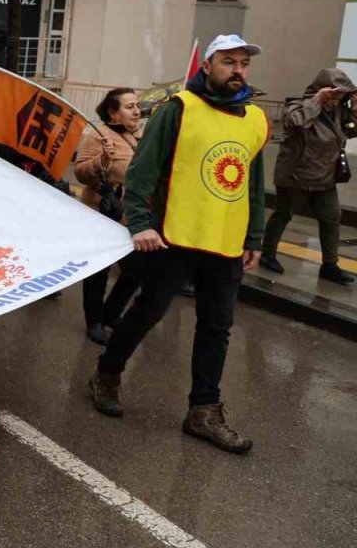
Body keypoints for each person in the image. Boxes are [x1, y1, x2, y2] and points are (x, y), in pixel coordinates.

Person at [89, 34, 269, 454]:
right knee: (148, 311)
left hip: (224, 242)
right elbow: (142, 171)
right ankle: (107, 373)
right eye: (228, 61)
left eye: (243, 63)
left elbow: (253, 184)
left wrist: (253, 236)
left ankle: (203, 411)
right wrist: (139, 223)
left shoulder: (256, 119)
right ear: (207, 66)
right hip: (174, 236)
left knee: (216, 328)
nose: (237, 69)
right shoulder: (179, 109)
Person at [260, 67, 357, 284]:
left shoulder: (339, 112)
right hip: (296, 177)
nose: (336, 102)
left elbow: (351, 131)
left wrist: (356, 109)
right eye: (334, 96)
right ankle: (268, 254)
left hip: (325, 178)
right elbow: (296, 122)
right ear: (323, 90)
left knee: (332, 219)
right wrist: (317, 101)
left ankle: (330, 265)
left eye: (341, 97)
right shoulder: (298, 106)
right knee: (283, 214)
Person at [74, 88, 143, 346]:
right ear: (113, 112)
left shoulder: (136, 137)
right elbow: (81, 172)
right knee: (98, 272)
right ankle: (94, 321)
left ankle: (110, 314)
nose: (137, 111)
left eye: (137, 105)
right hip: (101, 215)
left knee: (136, 272)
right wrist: (102, 158)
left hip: (129, 218)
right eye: (129, 106)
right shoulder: (98, 137)